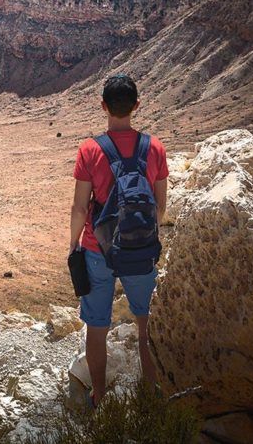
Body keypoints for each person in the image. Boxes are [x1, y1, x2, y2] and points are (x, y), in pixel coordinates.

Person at [69, 73, 168, 407]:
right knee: (145, 327)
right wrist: (143, 235)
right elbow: (161, 205)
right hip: (142, 249)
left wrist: (74, 245)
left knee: (96, 329)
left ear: (103, 107)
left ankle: (99, 395)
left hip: (98, 250)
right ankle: (153, 396)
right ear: (136, 106)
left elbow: (80, 207)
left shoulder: (90, 150)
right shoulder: (154, 147)